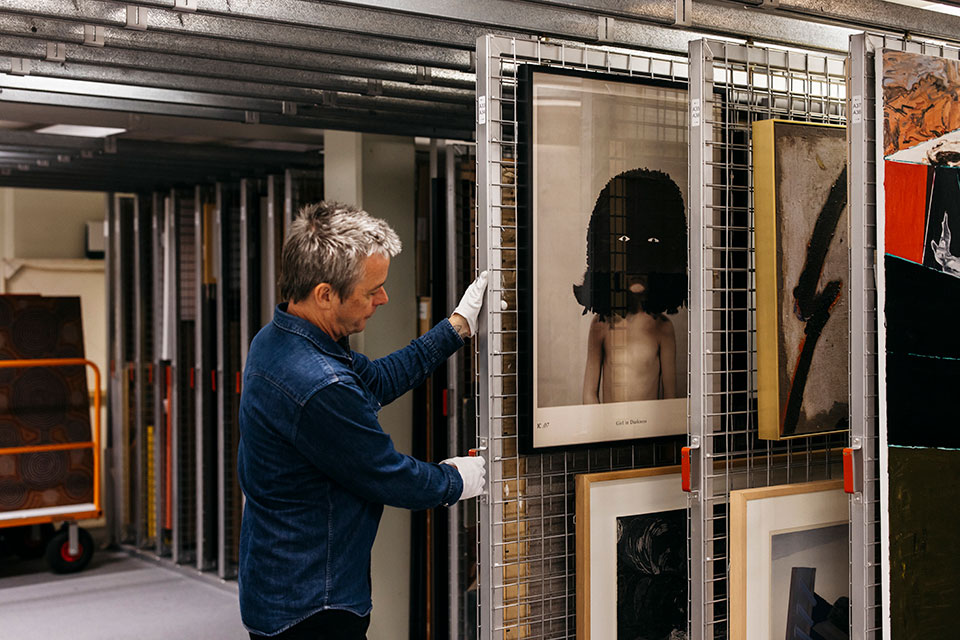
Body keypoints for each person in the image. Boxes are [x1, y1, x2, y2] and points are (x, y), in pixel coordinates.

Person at [237, 201, 487, 639]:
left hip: (282, 588)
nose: (383, 299)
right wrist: (459, 479)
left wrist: (456, 327)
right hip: (313, 606)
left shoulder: (278, 340)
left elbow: (375, 380)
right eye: (372, 290)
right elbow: (386, 473)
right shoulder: (319, 382)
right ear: (325, 294)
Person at [572, 168, 688, 404]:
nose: (638, 269)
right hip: (609, 425)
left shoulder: (663, 328)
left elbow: (670, 396)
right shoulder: (601, 326)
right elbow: (589, 393)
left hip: (650, 425)